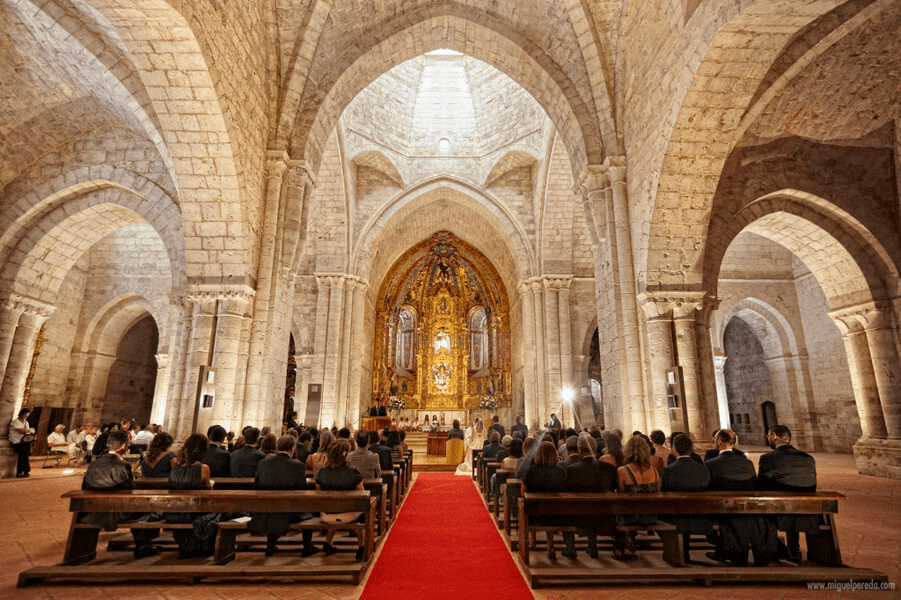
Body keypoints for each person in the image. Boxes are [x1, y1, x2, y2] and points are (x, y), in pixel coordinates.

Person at [81, 429, 160, 558]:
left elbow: (86, 486)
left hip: (93, 510)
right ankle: (143, 546)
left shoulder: (94, 464)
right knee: (149, 510)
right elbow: (130, 490)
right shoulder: (122, 465)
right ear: (124, 446)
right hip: (116, 512)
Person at [705, 429, 776, 566]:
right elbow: (753, 485)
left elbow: (708, 488)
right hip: (747, 508)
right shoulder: (747, 463)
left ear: (719, 441)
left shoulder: (710, 464)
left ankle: (726, 550)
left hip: (723, 510)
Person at [250, 434, 318, 557]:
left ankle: (270, 545)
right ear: (293, 448)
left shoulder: (263, 463)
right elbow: (303, 490)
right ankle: (307, 546)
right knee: (308, 511)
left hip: (267, 510)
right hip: (290, 512)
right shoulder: (297, 466)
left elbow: (257, 485)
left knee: (275, 508)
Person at [757, 425, 817, 563]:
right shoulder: (808, 458)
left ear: (774, 437)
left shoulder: (768, 458)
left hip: (781, 508)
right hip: (807, 506)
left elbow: (762, 486)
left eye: (768, 436)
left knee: (760, 507)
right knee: (790, 502)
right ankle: (793, 549)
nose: (768, 438)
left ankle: (773, 548)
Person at [561, 433, 617, 558]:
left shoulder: (573, 470)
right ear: (595, 449)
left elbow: (568, 490)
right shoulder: (610, 468)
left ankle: (570, 548)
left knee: (564, 513)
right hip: (605, 514)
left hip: (579, 515)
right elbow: (613, 488)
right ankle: (592, 545)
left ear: (580, 450)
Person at [661, 433, 712, 561]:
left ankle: (675, 552)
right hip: (699, 512)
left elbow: (664, 491)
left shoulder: (668, 470)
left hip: (675, 513)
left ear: (675, 449)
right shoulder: (703, 468)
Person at [613, 435, 661, 560]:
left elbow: (621, 494)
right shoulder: (653, 470)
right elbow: (658, 491)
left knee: (619, 512)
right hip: (650, 516)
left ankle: (622, 547)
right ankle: (626, 545)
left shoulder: (623, 471)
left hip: (631, 516)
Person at [316, 439, 365, 559]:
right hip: (349, 514)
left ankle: (328, 542)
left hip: (327, 515)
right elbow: (362, 493)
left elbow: (318, 492)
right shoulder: (352, 472)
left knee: (336, 507)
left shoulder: (322, 472)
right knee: (360, 509)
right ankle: (361, 546)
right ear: (346, 455)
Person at [167, 433, 215, 558]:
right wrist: (210, 484)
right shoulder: (203, 468)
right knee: (222, 513)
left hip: (174, 512)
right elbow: (208, 493)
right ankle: (204, 545)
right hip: (194, 513)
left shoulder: (175, 465)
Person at [10, 407, 35, 478]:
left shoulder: (26, 422)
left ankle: (23, 471)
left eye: (27, 416)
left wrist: (28, 431)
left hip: (23, 442)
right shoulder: (15, 421)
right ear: (21, 414)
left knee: (25, 453)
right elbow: (22, 431)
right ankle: (23, 471)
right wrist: (28, 431)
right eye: (25, 415)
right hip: (15, 442)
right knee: (24, 454)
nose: (26, 417)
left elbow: (28, 431)